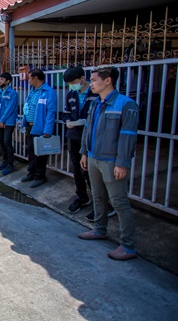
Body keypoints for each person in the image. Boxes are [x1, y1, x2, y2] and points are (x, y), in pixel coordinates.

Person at [78, 66, 139, 261]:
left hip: (112, 161)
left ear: (108, 81)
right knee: (97, 196)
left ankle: (128, 246)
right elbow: (88, 129)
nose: (91, 83)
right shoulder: (96, 103)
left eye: (94, 80)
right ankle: (99, 229)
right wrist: (84, 153)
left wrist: (122, 163)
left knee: (119, 202)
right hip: (94, 157)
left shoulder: (126, 104)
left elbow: (127, 136)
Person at [63, 67, 116, 218]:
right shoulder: (71, 94)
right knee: (76, 169)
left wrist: (84, 122)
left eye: (73, 82)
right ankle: (82, 197)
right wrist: (68, 122)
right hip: (73, 136)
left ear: (82, 79)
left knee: (89, 171)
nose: (71, 85)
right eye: (69, 83)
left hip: (91, 138)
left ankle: (103, 204)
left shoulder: (96, 94)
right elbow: (66, 113)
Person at [20, 68, 57, 188]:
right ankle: (31, 172)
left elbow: (51, 112)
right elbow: (28, 107)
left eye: (30, 78)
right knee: (30, 151)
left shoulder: (48, 92)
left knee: (40, 154)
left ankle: (40, 176)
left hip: (40, 128)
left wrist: (47, 130)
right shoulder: (32, 91)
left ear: (36, 78)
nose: (28, 80)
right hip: (30, 127)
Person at [0, 72, 18, 175]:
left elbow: (10, 108)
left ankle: (10, 164)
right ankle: (4, 161)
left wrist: (2, 120)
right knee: (0, 141)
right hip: (0, 121)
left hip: (8, 121)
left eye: (2, 79)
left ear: (8, 81)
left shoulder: (12, 93)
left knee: (7, 141)